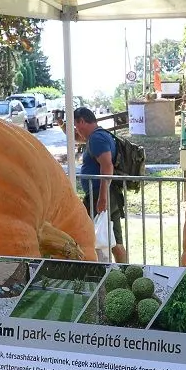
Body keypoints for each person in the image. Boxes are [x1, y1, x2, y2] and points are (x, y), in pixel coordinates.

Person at [73, 107, 127, 264]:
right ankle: (124, 271)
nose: (76, 130)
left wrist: (102, 198)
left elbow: (107, 166)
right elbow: (75, 138)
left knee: (87, 236)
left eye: (76, 125)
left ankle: (96, 270)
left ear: (82, 121)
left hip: (99, 194)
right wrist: (62, 124)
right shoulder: (98, 136)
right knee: (116, 241)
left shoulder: (97, 139)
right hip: (107, 194)